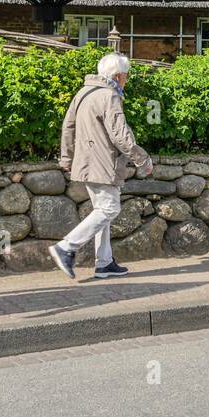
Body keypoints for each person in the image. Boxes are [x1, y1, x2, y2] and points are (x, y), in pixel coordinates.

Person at [49, 52, 153, 280]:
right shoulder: (109, 96)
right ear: (117, 76)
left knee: (101, 212)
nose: (127, 80)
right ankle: (66, 247)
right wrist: (142, 158)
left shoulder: (83, 93)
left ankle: (104, 263)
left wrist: (66, 158)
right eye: (126, 76)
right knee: (109, 209)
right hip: (103, 163)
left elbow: (68, 127)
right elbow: (120, 135)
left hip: (85, 163)